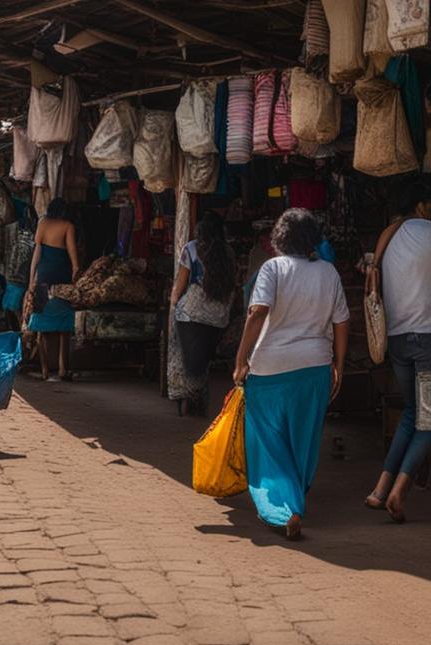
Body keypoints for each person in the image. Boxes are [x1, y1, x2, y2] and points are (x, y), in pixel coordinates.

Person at [233, 208, 349, 540]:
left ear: (279, 238)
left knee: (269, 443)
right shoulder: (329, 273)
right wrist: (338, 366)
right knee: (303, 441)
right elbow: (341, 322)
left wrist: (241, 359)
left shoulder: (273, 268)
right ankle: (295, 500)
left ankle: (284, 509)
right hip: (314, 368)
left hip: (270, 367)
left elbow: (257, 313)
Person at [365, 180, 431, 521]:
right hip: (426, 340)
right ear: (422, 205)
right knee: (429, 420)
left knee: (412, 413)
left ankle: (379, 488)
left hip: (398, 340)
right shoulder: (428, 233)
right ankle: (399, 490)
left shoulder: (387, 236)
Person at [167, 211, 235, 418]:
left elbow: (180, 283)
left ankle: (183, 395)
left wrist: (173, 304)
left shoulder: (192, 248)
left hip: (192, 312)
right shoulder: (228, 251)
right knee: (203, 358)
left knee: (179, 352)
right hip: (218, 315)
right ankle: (198, 396)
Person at [27, 198, 80, 381]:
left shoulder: (42, 224)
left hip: (42, 276)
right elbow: (74, 258)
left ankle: (44, 371)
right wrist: (75, 278)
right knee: (64, 325)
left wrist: (31, 280)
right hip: (61, 277)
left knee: (41, 324)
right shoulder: (68, 226)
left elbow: (36, 254)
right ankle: (62, 369)